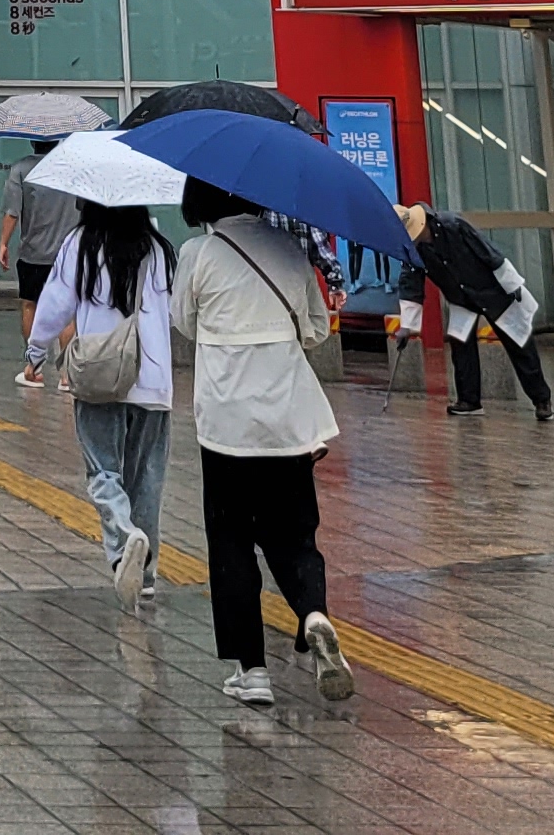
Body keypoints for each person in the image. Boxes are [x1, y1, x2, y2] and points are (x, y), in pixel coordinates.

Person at [174, 176, 356, 708]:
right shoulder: (289, 251)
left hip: (226, 424)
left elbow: (183, 323)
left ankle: (251, 671)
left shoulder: (198, 254)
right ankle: (313, 612)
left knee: (230, 540)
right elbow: (316, 330)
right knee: (295, 533)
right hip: (286, 419)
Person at [29, 196, 173, 611]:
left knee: (104, 471)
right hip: (153, 380)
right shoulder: (158, 247)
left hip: (99, 376)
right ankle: (146, 576)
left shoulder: (81, 243)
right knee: (147, 478)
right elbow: (175, 313)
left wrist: (36, 350)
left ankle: (125, 538)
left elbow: (55, 303)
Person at [403, 200, 552, 422]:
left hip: (491, 290)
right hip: (460, 299)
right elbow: (411, 283)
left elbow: (488, 252)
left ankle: (541, 399)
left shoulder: (454, 225)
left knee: (519, 342)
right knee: (461, 347)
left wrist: (513, 285)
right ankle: (469, 401)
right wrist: (407, 325)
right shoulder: (414, 250)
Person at [0, 140, 80, 383]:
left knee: (30, 306)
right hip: (68, 253)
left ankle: (34, 368)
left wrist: (3, 243)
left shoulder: (20, 169)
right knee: (68, 312)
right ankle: (66, 374)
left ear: (32, 141)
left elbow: (12, 212)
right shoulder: (72, 168)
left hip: (33, 253)